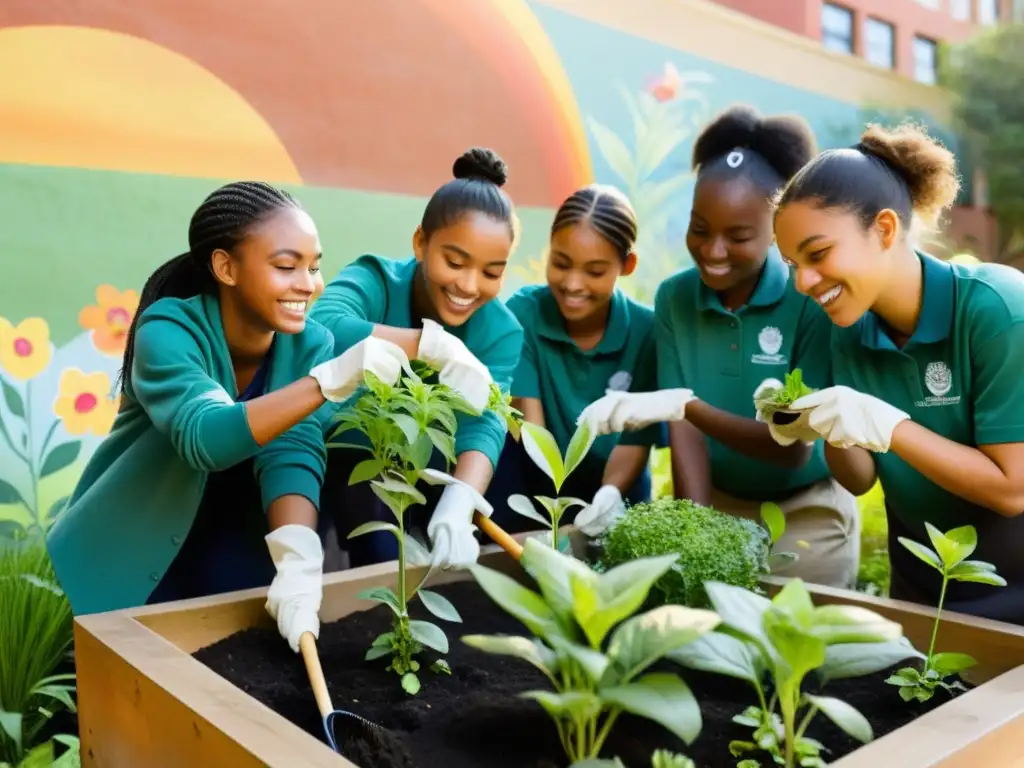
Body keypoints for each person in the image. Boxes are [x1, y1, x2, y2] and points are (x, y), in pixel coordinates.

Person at [46, 181, 412, 656]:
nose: (309, 283)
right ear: (226, 267)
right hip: (134, 555)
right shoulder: (169, 331)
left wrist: (297, 553)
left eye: (315, 266)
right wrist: (326, 383)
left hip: (234, 544)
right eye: (286, 266)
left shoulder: (309, 343)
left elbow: (293, 447)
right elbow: (206, 439)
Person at [578, 105, 860, 589]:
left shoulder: (809, 300)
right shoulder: (675, 298)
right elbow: (686, 435)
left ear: (776, 230)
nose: (713, 251)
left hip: (804, 509)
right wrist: (697, 530)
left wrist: (687, 407)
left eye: (739, 236)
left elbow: (791, 450)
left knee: (789, 638)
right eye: (700, 229)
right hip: (716, 501)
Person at [769, 122, 1024, 622]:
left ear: (884, 229)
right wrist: (831, 427)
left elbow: (1012, 489)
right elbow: (860, 481)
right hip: (922, 595)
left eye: (817, 254)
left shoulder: (997, 309)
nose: (804, 282)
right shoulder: (840, 328)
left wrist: (887, 424)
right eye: (793, 264)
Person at [310, 148, 523, 569]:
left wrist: (460, 504)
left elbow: (486, 421)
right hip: (348, 467)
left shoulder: (502, 331)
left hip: (432, 476)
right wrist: (432, 345)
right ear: (421, 242)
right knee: (381, 558)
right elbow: (324, 324)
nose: (468, 285)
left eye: (491, 272)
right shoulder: (376, 280)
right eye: (455, 261)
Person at [486, 184, 665, 536]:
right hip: (539, 490)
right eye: (561, 263)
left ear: (626, 265)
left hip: (618, 495)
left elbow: (634, 442)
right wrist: (561, 510)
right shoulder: (525, 314)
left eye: (594, 272)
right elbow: (529, 426)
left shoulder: (648, 332)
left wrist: (609, 495)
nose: (572, 284)